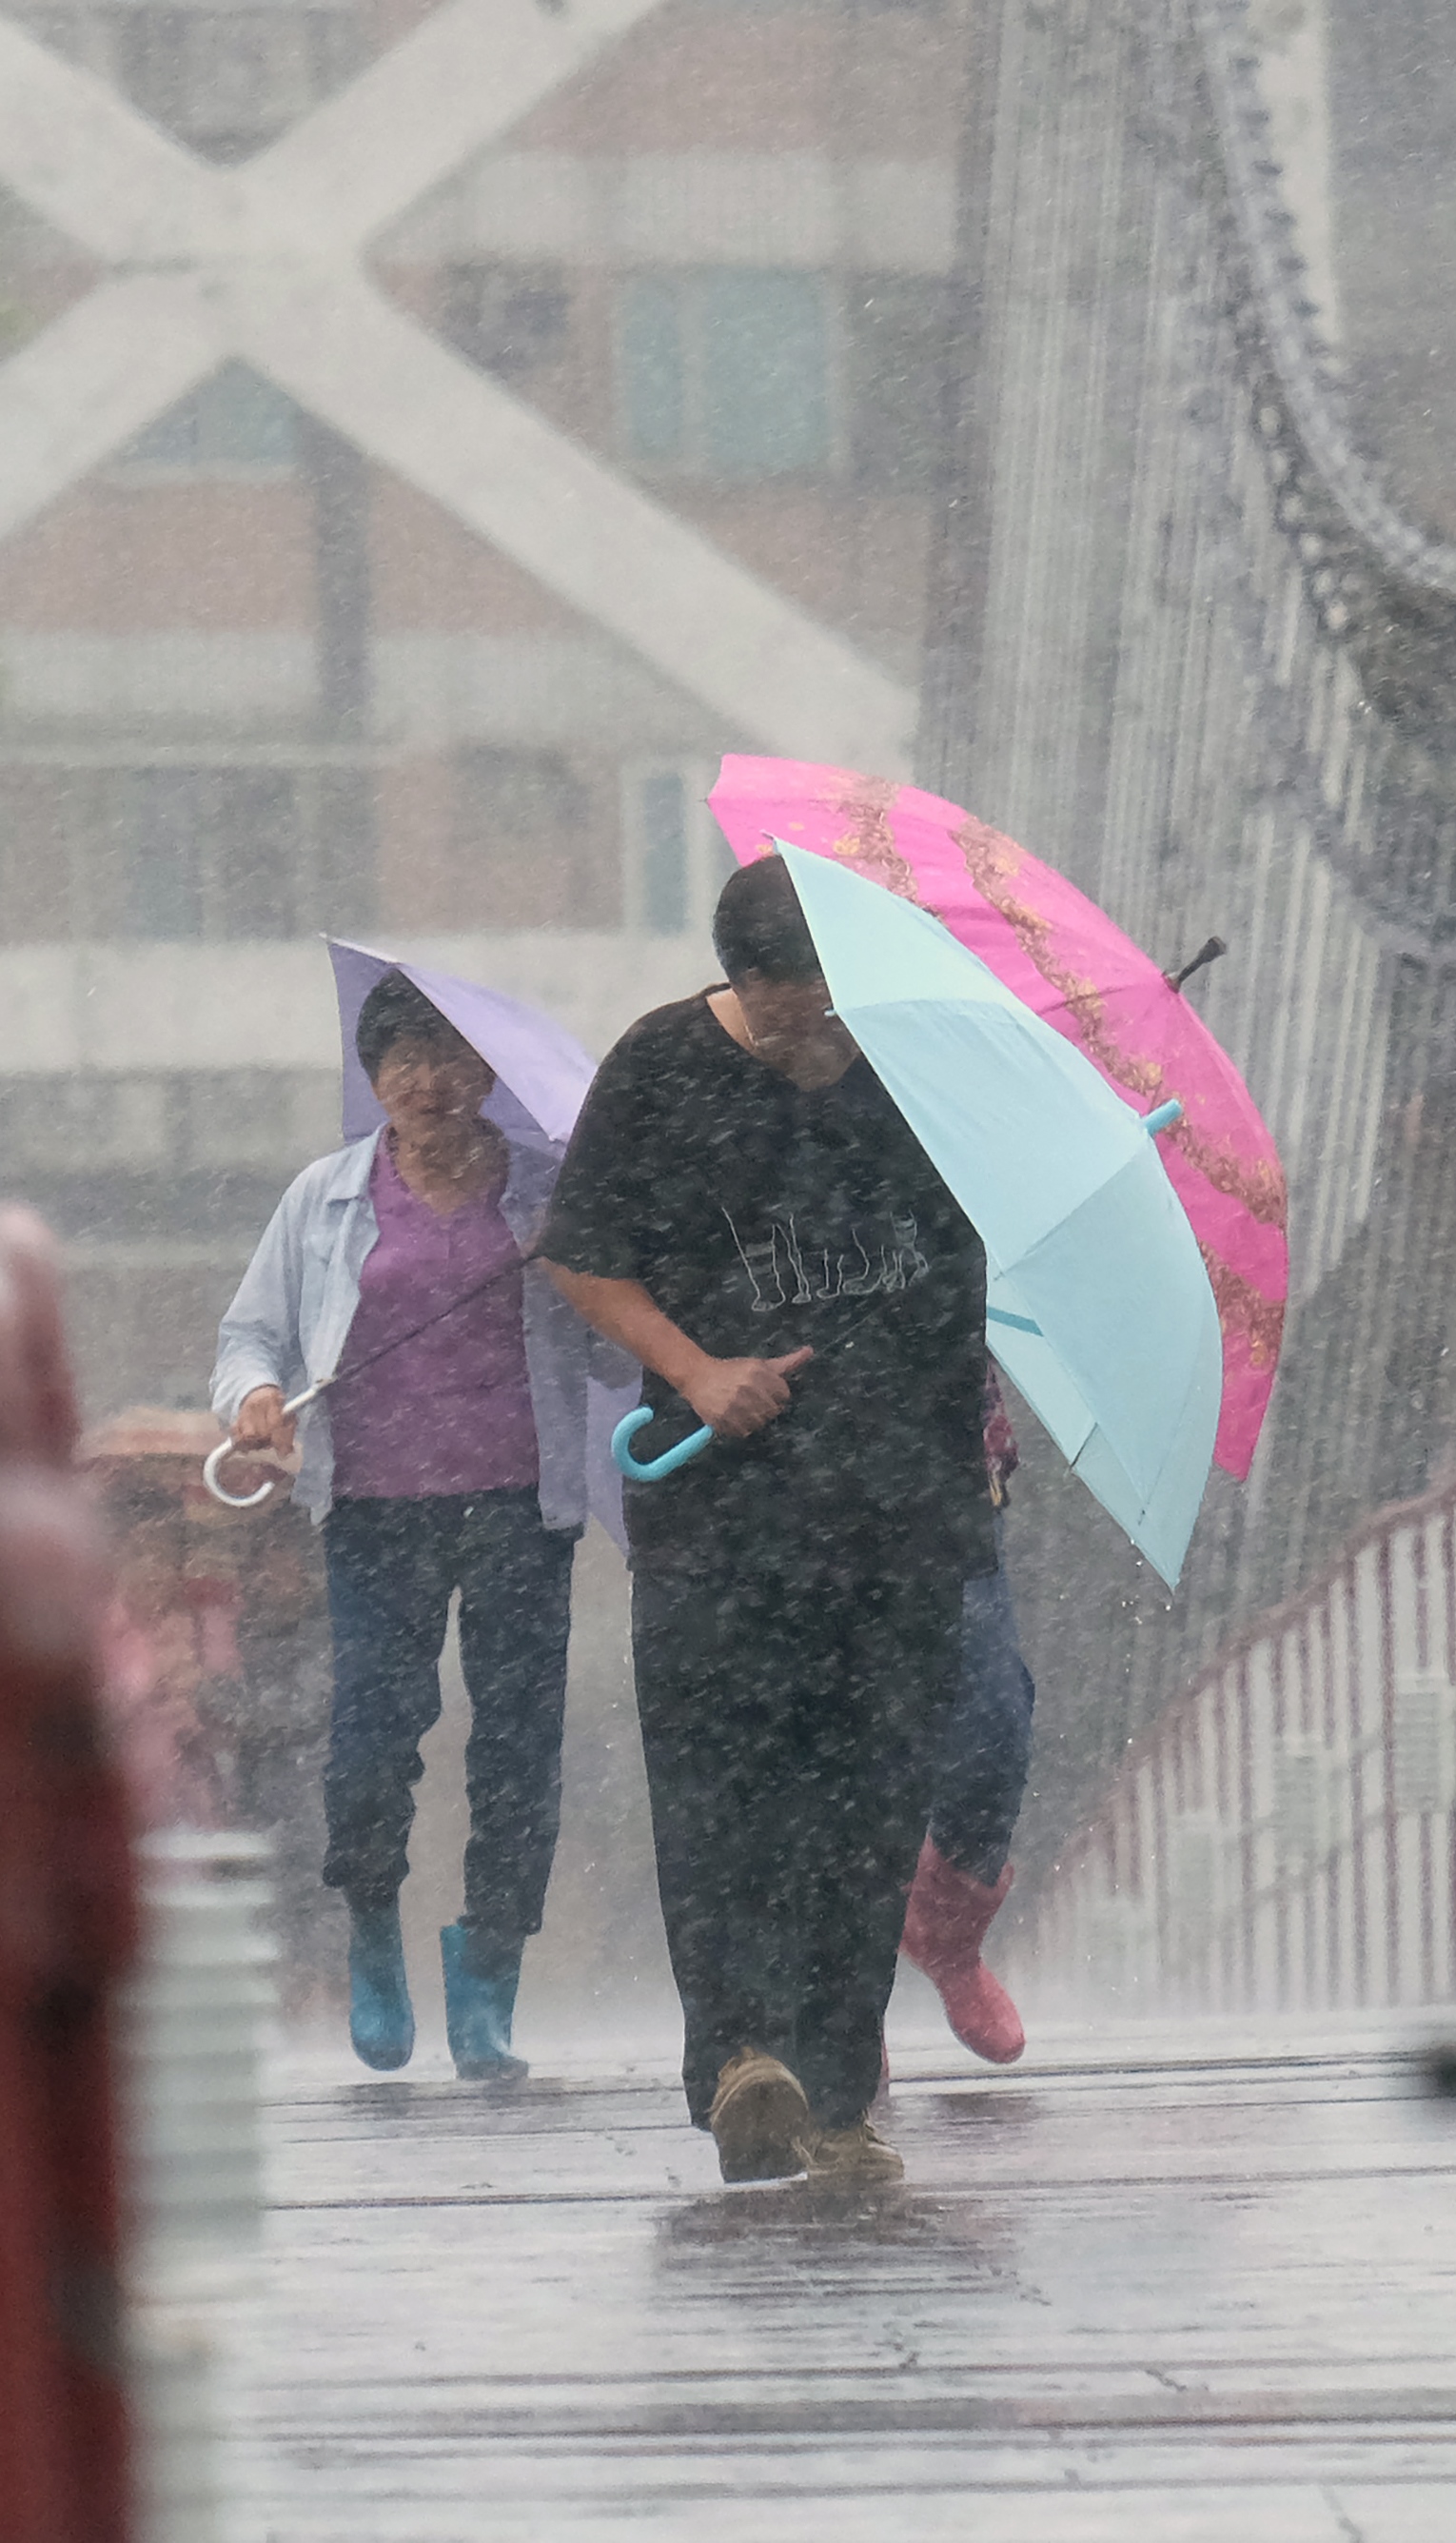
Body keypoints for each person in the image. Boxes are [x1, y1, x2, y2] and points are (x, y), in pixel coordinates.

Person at [539, 855, 989, 2186]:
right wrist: (695, 1372)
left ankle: (843, 2097)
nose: (820, 1040)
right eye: (795, 1014)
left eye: (836, 1010)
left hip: (897, 1515)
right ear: (743, 987)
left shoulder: (914, 1075)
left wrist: (964, 1483)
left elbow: (960, 1284)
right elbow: (579, 1253)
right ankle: (741, 2058)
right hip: (718, 1518)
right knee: (724, 1794)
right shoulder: (660, 1070)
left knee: (866, 1810)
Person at [210, 972, 602, 2081]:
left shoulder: (547, 1196)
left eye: (451, 1057)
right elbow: (251, 1336)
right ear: (371, 1075)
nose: (428, 1081)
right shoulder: (323, 1198)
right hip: (374, 1511)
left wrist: (576, 1272)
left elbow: (619, 1354)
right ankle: (372, 1926)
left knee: (518, 1747)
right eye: (401, 1059)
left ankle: (489, 1969)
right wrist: (248, 1400)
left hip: (521, 1508)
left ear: (490, 1074)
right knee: (370, 1746)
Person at [899, 1372, 1034, 2063]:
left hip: (953, 1469)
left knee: (994, 1723)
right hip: (804, 1471)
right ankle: (836, 1996)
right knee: (834, 1745)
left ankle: (946, 1931)